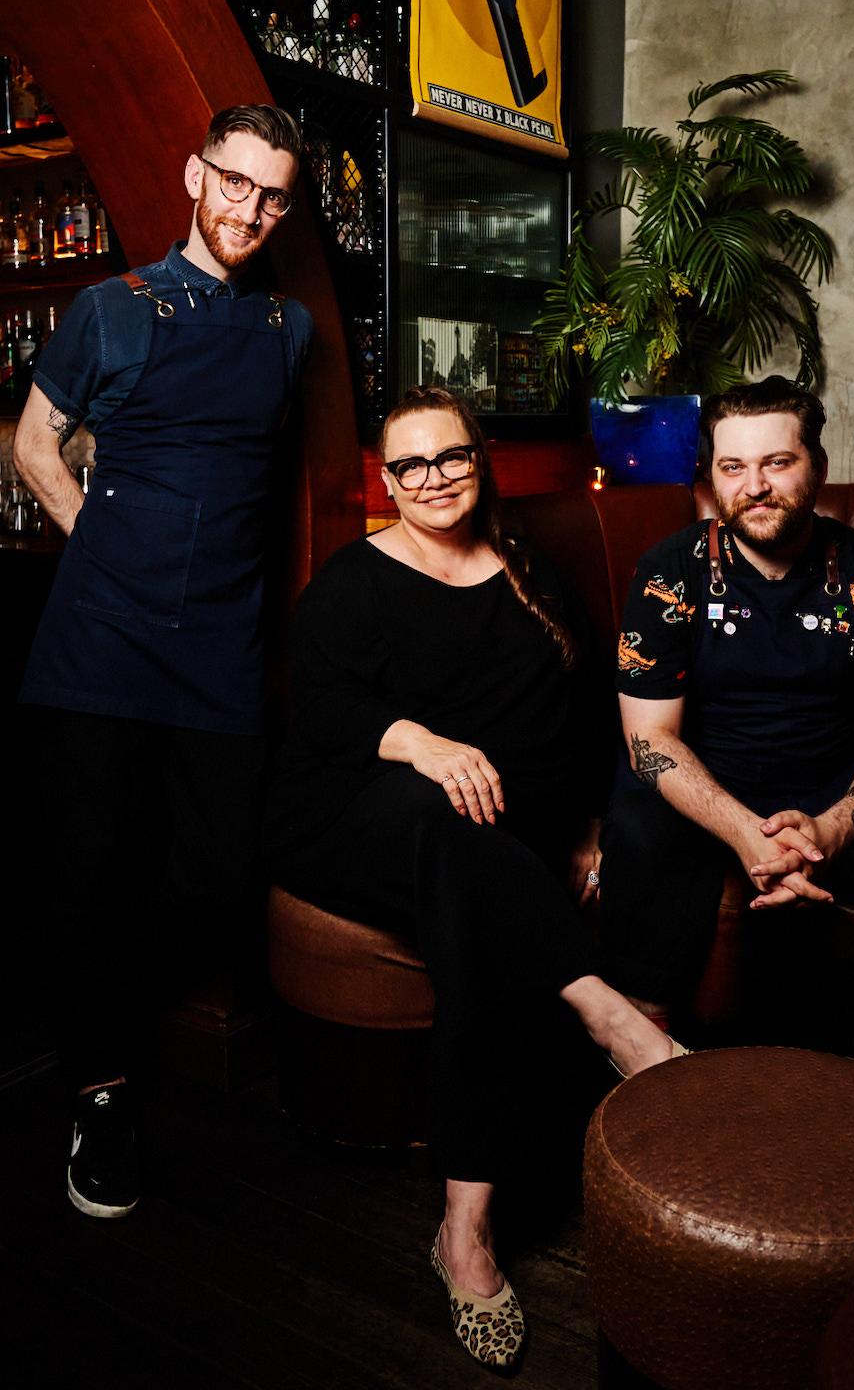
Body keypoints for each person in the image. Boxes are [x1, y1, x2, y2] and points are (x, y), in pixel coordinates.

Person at [266, 385, 684, 1372]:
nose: (432, 479)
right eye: (409, 466)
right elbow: (320, 712)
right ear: (386, 478)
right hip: (357, 821)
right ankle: (610, 1013)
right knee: (443, 816)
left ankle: (464, 1225)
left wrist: (586, 828)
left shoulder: (528, 568)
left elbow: (582, 714)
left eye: (449, 457)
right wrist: (419, 742)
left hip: (491, 844)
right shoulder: (351, 584)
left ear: (479, 457)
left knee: (470, 894)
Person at [14, 103, 312, 1220]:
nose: (248, 209)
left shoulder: (290, 329)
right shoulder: (111, 308)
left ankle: (124, 1023)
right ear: (197, 173)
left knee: (218, 866)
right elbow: (39, 442)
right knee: (90, 871)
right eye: (233, 182)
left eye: (272, 194)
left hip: (223, 647)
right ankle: (100, 1093)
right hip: (99, 640)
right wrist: (106, 546)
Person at [597, 377, 854, 1044]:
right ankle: (644, 1039)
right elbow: (650, 741)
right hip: (702, 786)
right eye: (734, 467)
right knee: (638, 824)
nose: (754, 485)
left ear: (816, 466)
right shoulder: (668, 572)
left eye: (777, 463)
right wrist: (745, 834)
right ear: (712, 476)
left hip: (829, 786)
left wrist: (828, 831)